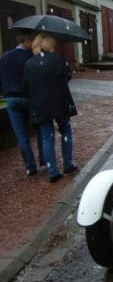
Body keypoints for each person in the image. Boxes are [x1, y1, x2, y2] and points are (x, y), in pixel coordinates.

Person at [23, 33, 78, 183]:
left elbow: (26, 84)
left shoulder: (29, 63)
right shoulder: (58, 59)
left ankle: (52, 171)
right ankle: (67, 164)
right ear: (50, 45)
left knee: (47, 137)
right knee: (65, 131)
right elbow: (67, 76)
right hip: (59, 102)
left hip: (41, 105)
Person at [0, 30, 44, 176]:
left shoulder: (6, 56)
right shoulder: (30, 57)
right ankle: (43, 159)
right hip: (29, 98)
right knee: (40, 129)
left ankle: (30, 166)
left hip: (11, 99)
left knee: (21, 135)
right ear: (26, 41)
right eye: (32, 42)